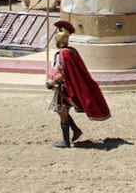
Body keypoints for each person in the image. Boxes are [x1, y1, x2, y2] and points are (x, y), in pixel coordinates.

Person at [46, 20, 111, 148]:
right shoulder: (71, 51)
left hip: (64, 87)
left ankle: (66, 141)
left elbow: (62, 73)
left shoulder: (61, 54)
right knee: (62, 111)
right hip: (69, 86)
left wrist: (51, 82)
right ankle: (75, 130)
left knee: (61, 111)